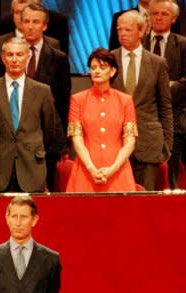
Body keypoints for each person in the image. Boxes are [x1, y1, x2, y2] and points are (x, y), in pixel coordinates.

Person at [0, 3, 70, 193]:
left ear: (45, 26)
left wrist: (61, 142)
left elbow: (62, 101)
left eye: (36, 22)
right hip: (9, 140)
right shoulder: (8, 53)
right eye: (26, 21)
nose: (30, 26)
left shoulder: (57, 57)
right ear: (19, 23)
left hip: (45, 142)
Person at [0, 38, 56, 193]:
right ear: (3, 58)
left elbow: (49, 131)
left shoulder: (42, 91)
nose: (14, 59)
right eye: (10, 55)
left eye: (19, 54)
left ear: (28, 57)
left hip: (31, 168)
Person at [112, 10, 173, 191]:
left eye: (128, 30)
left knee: (144, 200)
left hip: (148, 142)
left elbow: (165, 106)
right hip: (116, 143)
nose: (122, 34)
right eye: (119, 30)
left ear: (142, 31)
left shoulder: (157, 63)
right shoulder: (108, 60)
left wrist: (167, 145)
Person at [66, 49, 137, 192]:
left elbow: (130, 141)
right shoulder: (78, 100)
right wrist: (91, 168)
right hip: (86, 170)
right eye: (93, 68)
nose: (97, 71)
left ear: (112, 71)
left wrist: (113, 168)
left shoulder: (125, 100)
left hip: (118, 170)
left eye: (102, 67)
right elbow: (77, 140)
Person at [143, 0, 186, 189]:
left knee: (172, 170)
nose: (159, 17)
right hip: (144, 117)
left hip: (175, 116)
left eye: (164, 14)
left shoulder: (183, 44)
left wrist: (165, 90)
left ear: (174, 19)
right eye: (155, 14)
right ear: (149, 17)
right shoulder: (139, 42)